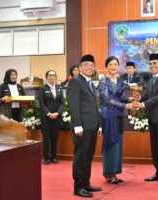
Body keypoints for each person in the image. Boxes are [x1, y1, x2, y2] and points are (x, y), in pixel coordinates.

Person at [134, 53, 158, 187]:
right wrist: (138, 99)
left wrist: (143, 105)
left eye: (155, 63)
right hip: (152, 118)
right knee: (155, 147)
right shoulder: (150, 80)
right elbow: (147, 96)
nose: (152, 66)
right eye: (150, 64)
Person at [67, 54, 102, 198]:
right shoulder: (76, 81)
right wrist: (78, 126)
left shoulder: (90, 82)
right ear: (80, 67)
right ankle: (78, 187)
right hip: (82, 127)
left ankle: (86, 183)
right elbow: (74, 106)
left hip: (92, 127)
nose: (89, 67)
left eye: (92, 65)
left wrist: (99, 125)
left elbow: (95, 106)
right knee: (80, 157)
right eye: (86, 64)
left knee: (88, 157)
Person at [98, 56, 135, 184]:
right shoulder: (103, 81)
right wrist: (125, 105)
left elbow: (121, 96)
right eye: (111, 64)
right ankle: (108, 173)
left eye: (115, 64)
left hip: (118, 115)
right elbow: (107, 100)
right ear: (106, 66)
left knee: (118, 144)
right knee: (110, 143)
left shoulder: (120, 81)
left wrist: (129, 100)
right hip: (108, 115)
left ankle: (115, 173)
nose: (113, 67)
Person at [38, 70, 65, 165]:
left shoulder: (59, 88)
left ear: (56, 77)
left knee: (54, 137)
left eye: (54, 75)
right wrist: (49, 113)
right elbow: (41, 104)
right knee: (46, 137)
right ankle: (46, 157)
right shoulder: (42, 88)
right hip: (46, 117)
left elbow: (62, 103)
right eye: (50, 75)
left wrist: (57, 113)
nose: (52, 77)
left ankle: (54, 157)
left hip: (57, 117)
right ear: (46, 77)